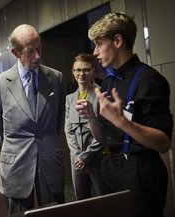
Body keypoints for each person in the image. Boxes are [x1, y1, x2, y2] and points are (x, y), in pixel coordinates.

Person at [77, 12, 173, 217]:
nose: (95, 52)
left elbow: (163, 143)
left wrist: (122, 121)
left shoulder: (150, 80)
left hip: (141, 173)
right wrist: (91, 118)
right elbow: (104, 138)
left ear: (118, 40)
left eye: (99, 44)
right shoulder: (109, 83)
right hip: (113, 169)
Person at [0, 24, 66, 215]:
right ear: (15, 52)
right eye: (30, 51)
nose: (38, 56)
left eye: (39, 47)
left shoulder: (56, 78)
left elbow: (59, 120)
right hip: (16, 165)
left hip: (49, 159)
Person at [64, 53, 110, 200]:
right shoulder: (69, 99)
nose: (81, 74)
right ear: (73, 72)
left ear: (93, 71)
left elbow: (105, 131)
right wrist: (78, 157)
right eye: (77, 70)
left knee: (105, 200)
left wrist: (86, 157)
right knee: (81, 202)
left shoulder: (101, 95)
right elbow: (68, 130)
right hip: (76, 160)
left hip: (99, 157)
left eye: (86, 70)